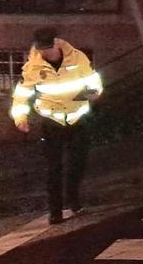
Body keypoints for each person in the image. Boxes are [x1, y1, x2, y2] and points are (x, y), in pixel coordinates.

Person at [10, 27, 103, 224]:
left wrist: (94, 93)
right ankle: (55, 211)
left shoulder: (77, 58)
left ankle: (74, 198)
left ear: (56, 43)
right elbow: (21, 96)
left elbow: (93, 80)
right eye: (41, 49)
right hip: (52, 121)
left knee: (78, 163)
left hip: (78, 118)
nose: (45, 53)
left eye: (48, 48)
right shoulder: (32, 67)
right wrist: (20, 118)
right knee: (54, 167)